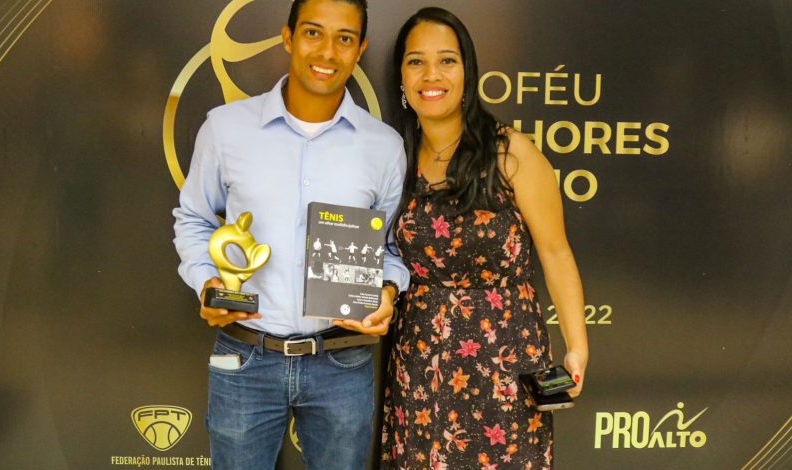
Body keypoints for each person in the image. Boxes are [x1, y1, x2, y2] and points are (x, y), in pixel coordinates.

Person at [172, 0, 409, 468]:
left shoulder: (384, 147)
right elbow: (194, 218)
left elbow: (392, 248)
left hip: (342, 361)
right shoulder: (226, 129)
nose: (328, 51)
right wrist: (208, 283)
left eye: (344, 38)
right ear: (288, 37)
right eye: (313, 33)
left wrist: (386, 291)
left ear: (360, 49)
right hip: (245, 356)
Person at [380, 7, 589, 468]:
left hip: (506, 365)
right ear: (401, 76)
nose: (431, 75)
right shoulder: (394, 158)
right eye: (416, 61)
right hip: (422, 366)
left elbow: (556, 253)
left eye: (446, 60)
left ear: (467, 71)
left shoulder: (510, 152)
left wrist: (577, 347)